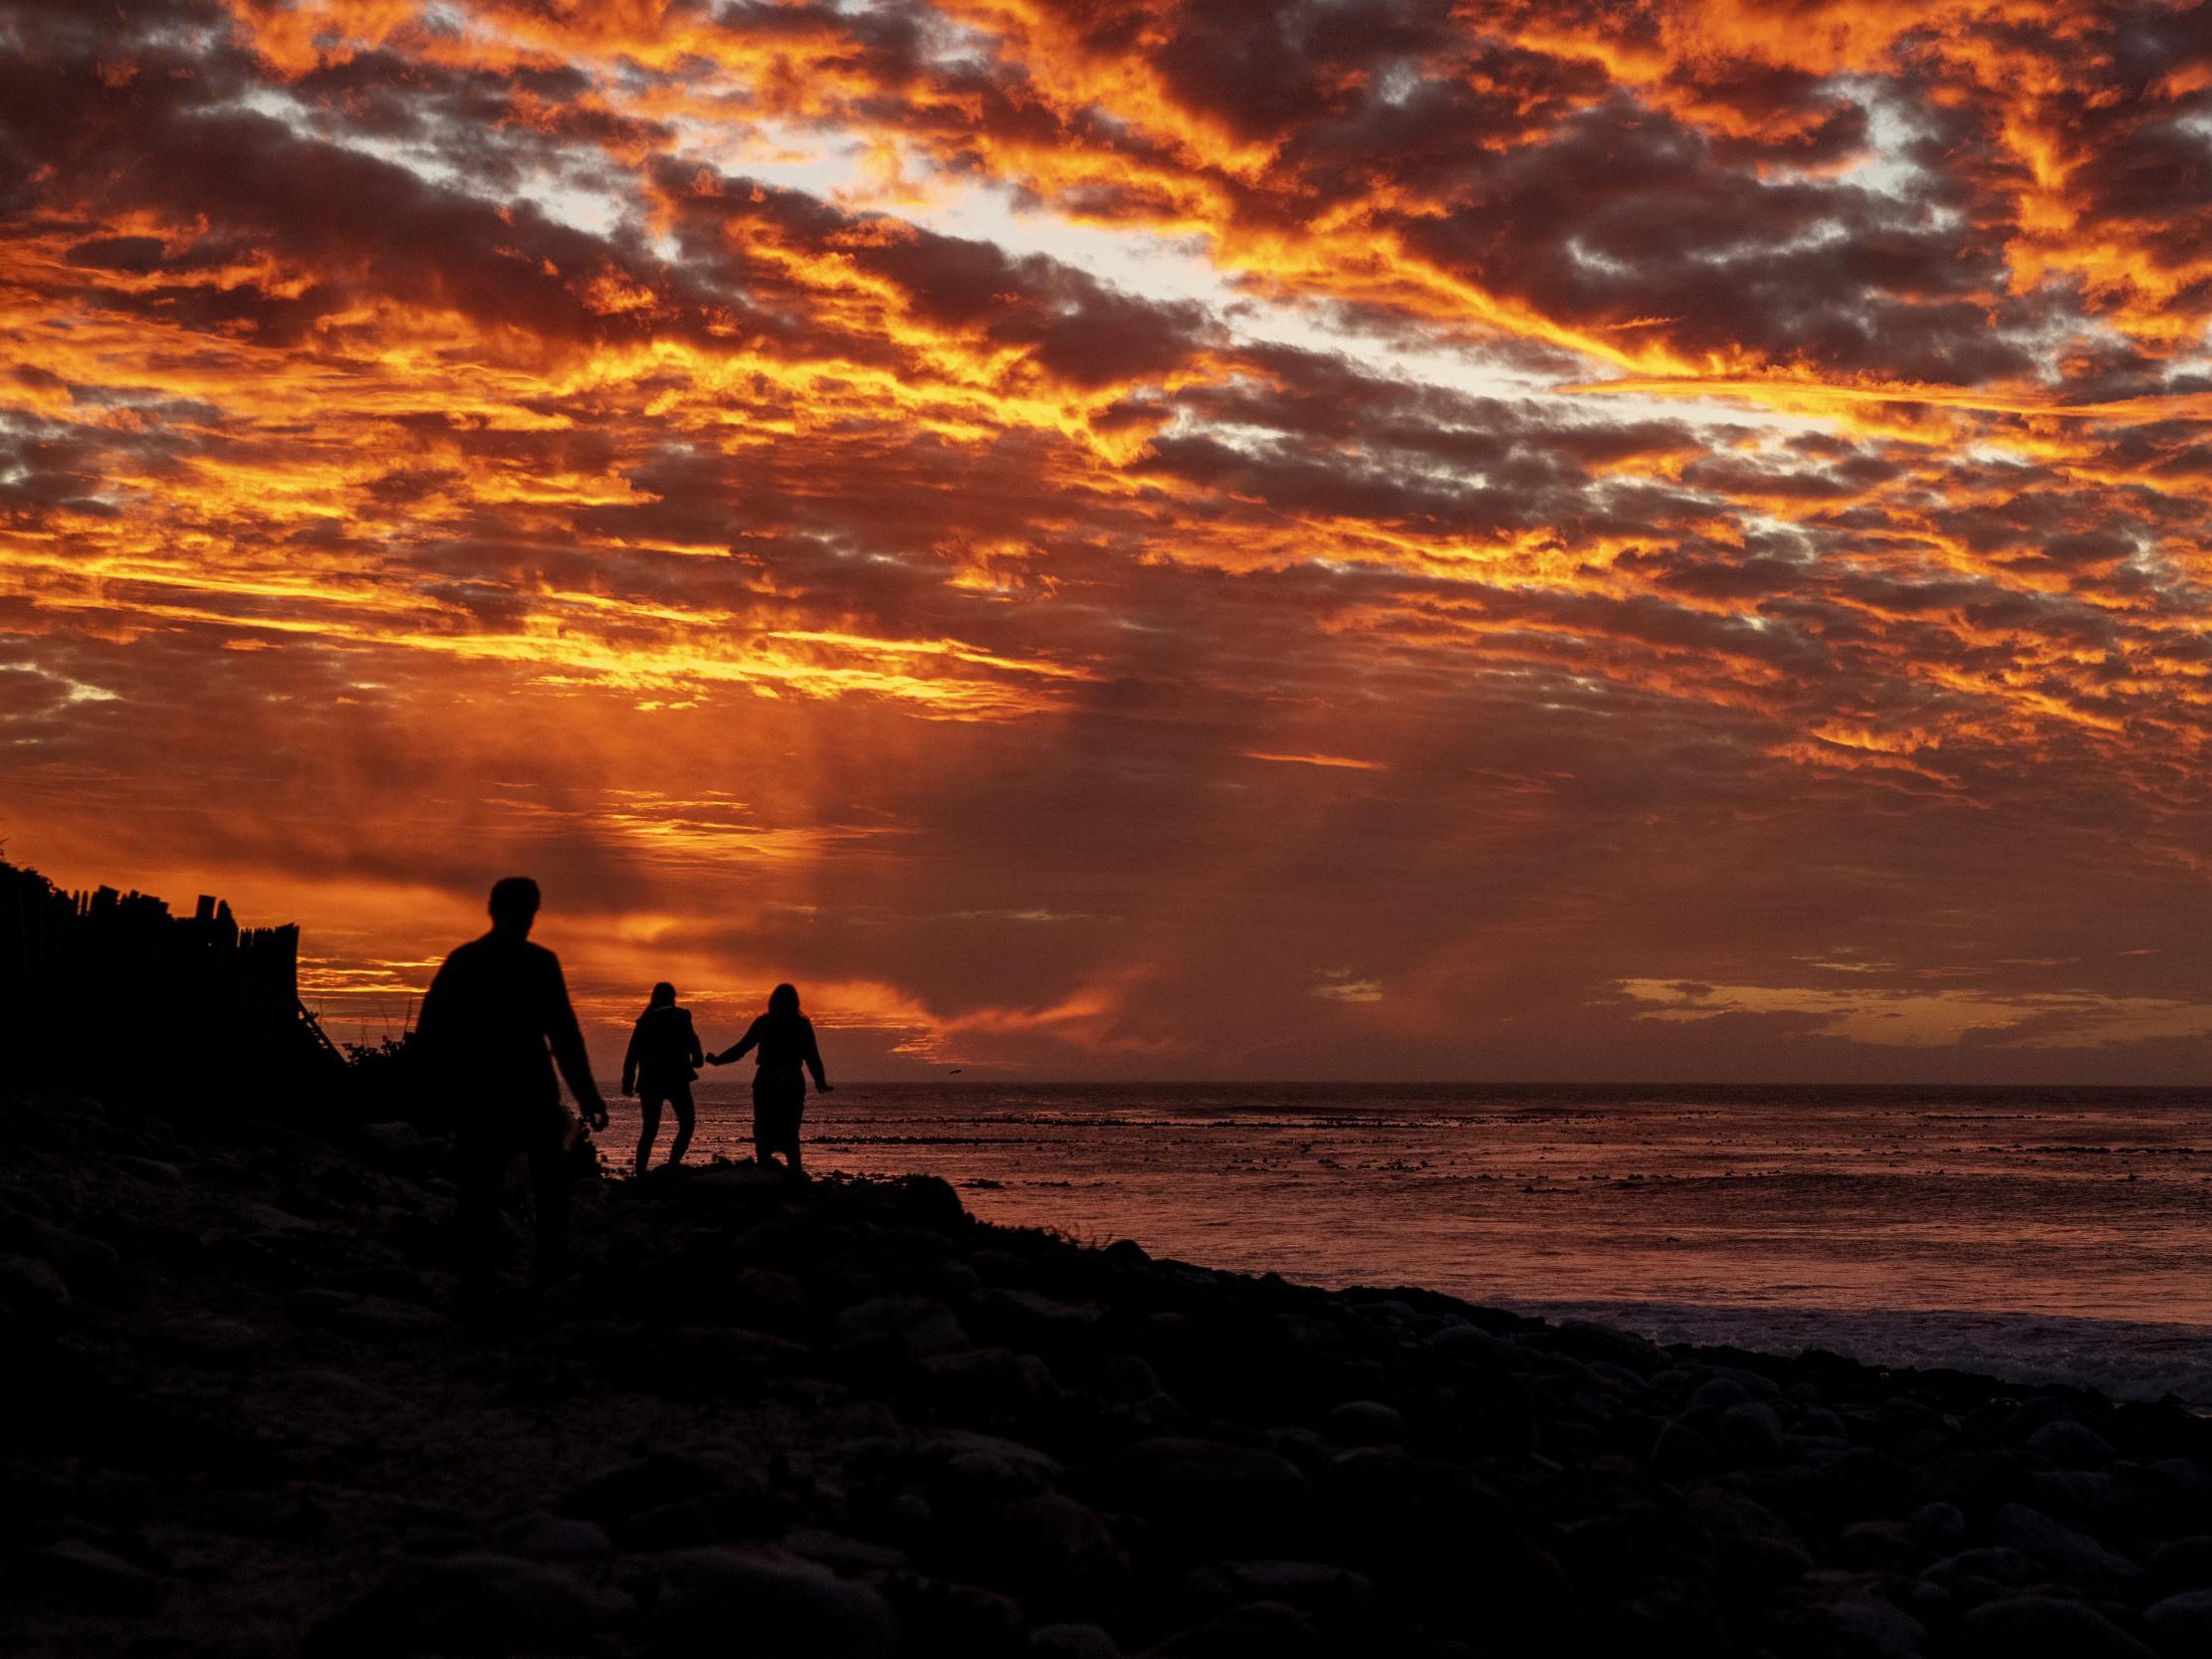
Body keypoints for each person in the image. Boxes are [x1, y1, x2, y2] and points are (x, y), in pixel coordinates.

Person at [416, 876, 608, 1300]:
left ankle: (483, 1278)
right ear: (530, 913)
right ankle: (537, 1273)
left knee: (487, 1186)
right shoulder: (537, 963)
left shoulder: (465, 961)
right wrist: (588, 1096)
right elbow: (564, 1036)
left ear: (491, 908)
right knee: (538, 1185)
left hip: (490, 1092)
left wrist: (432, 1093)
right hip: (521, 1088)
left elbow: (431, 1035)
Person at [706, 982, 831, 1173]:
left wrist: (718, 1060)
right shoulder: (801, 1025)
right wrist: (820, 1081)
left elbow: (742, 1048)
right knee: (790, 1128)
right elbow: (812, 1056)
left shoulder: (764, 1023)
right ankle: (793, 1172)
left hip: (768, 1079)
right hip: (791, 1080)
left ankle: (765, 1168)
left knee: (763, 1127)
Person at [622, 980, 703, 1175]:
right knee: (687, 1123)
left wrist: (628, 1081)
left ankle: (641, 1173)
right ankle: (672, 1164)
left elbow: (632, 1053)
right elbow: (694, 1042)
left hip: (651, 1081)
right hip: (676, 1079)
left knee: (649, 1130)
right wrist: (698, 1060)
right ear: (672, 998)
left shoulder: (645, 1021)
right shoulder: (682, 1016)